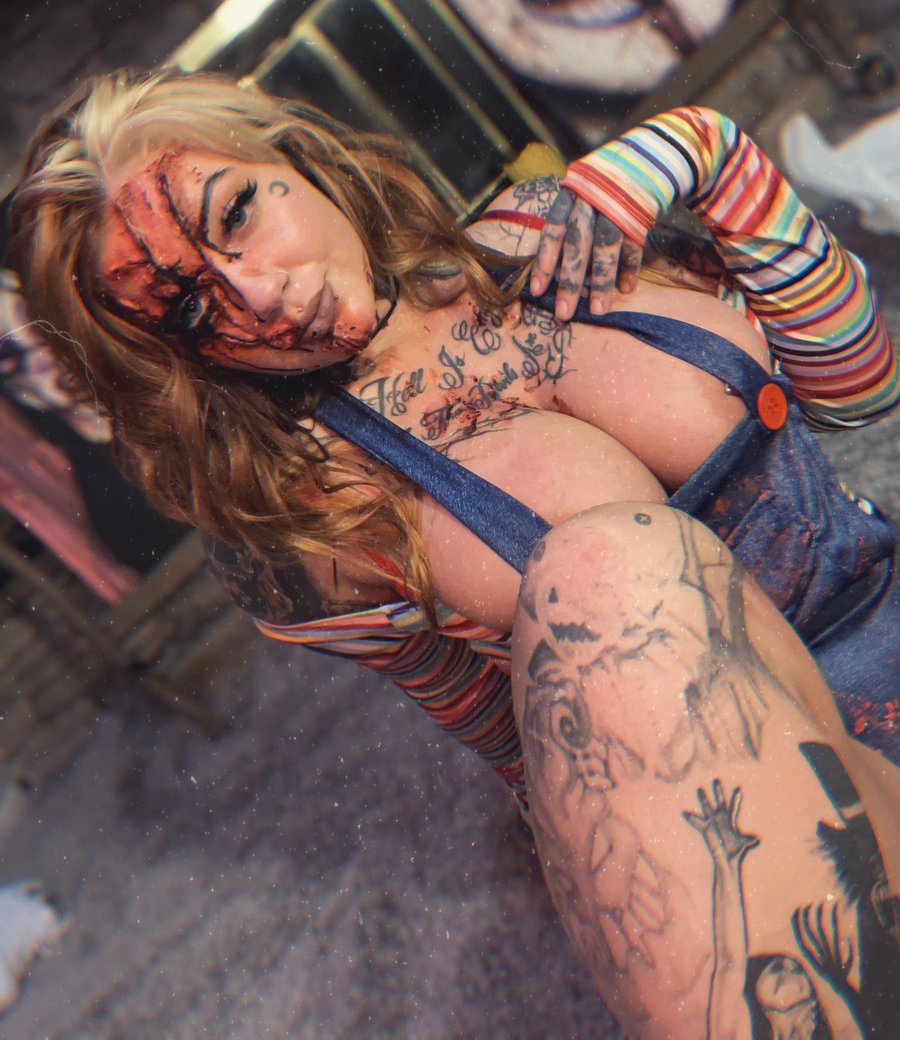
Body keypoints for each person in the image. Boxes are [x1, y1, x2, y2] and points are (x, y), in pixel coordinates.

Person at [9, 68, 899, 1038]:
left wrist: (702, 153)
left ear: (294, 156)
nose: (258, 296)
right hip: (724, 793)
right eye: (189, 310)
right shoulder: (306, 529)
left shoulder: (545, 228)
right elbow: (524, 752)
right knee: (604, 571)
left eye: (237, 215)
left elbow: (860, 388)